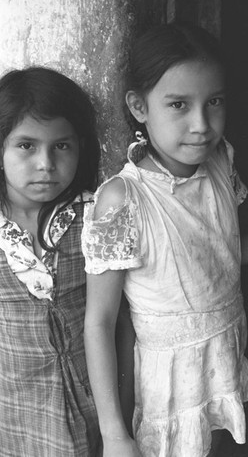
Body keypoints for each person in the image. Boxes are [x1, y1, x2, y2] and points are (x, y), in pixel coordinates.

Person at [81, 23, 248, 457]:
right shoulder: (124, 200)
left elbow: (219, 256)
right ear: (139, 106)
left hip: (220, 359)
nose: (201, 125)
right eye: (178, 105)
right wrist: (115, 436)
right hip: (166, 387)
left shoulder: (218, 162)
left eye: (214, 102)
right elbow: (99, 322)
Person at [0, 67, 102, 456]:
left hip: (93, 413)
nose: (45, 163)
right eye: (26, 145)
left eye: (62, 146)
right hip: (14, 423)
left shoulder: (95, 216)